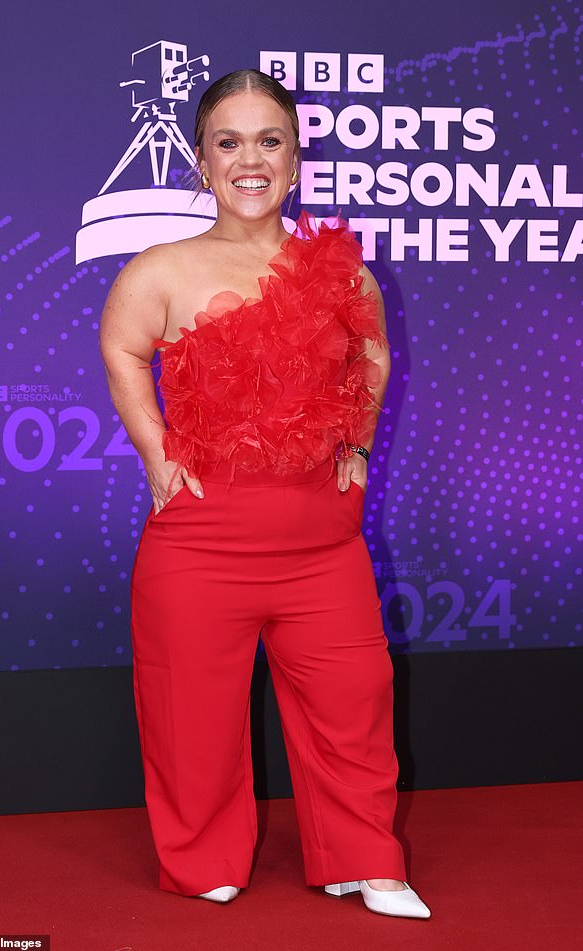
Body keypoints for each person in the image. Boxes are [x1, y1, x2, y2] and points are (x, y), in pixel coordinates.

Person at [99, 68, 431, 919]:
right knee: (192, 717)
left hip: (324, 546)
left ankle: (365, 855)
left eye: (270, 140)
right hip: (201, 545)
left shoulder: (340, 269)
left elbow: (374, 356)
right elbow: (124, 349)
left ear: (293, 160)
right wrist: (151, 448)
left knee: (355, 705)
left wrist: (355, 437)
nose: (251, 159)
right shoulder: (162, 268)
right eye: (229, 142)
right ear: (202, 163)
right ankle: (204, 856)